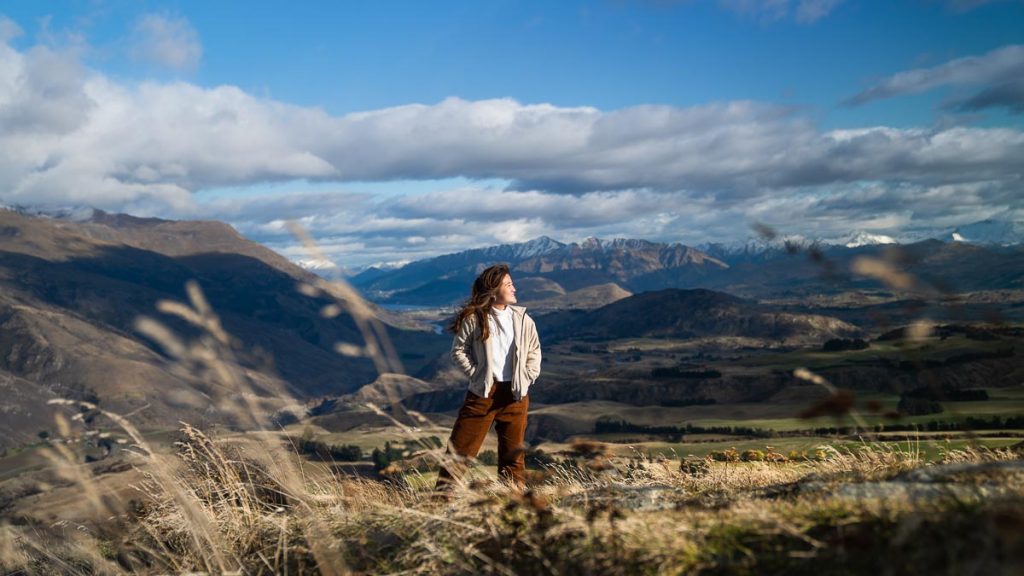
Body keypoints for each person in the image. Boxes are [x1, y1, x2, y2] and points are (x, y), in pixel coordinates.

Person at [435, 263, 541, 491]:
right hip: (483, 395)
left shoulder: (524, 320)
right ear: (493, 290)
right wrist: (477, 375)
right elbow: (458, 351)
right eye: (508, 284)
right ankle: (438, 506)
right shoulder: (474, 319)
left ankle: (513, 508)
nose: (514, 288)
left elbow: (534, 351)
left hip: (516, 396)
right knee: (458, 455)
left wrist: (528, 377)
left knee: (514, 460)